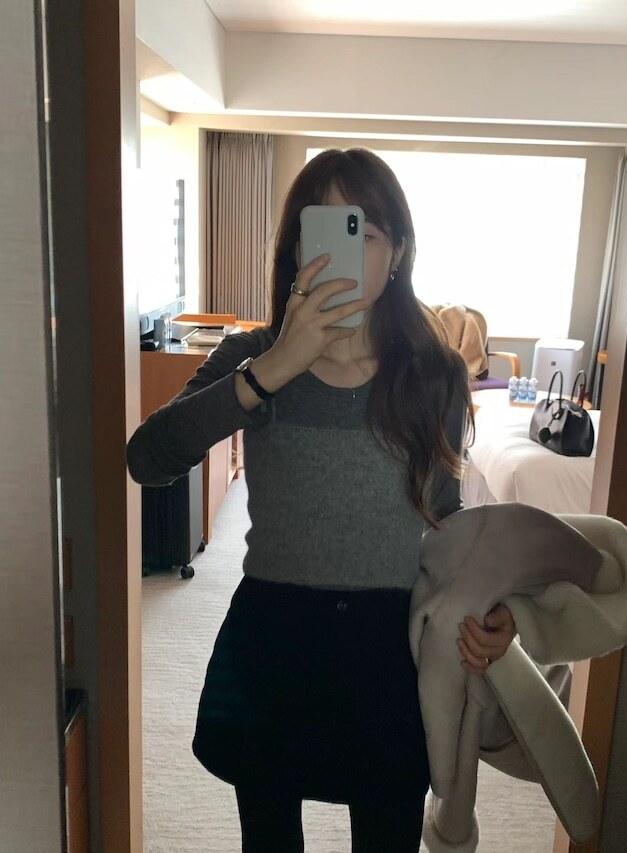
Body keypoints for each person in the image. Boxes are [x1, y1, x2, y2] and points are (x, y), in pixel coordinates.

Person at [127, 148, 516, 853]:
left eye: (366, 230)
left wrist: (494, 605)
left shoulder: (433, 373)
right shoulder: (251, 359)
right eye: (326, 227)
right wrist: (274, 368)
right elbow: (148, 459)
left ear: (398, 252)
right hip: (273, 641)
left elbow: (446, 517)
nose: (345, 250)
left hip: (388, 652)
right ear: (297, 247)